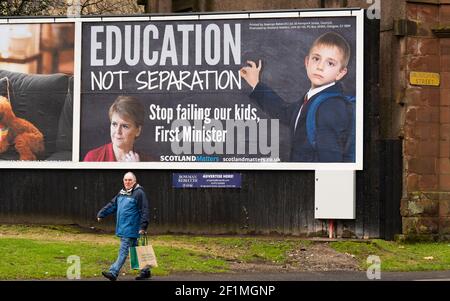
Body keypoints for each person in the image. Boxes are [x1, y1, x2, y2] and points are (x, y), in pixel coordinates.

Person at [240, 32, 354, 162]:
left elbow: (330, 158)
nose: (320, 67)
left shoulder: (330, 106)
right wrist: (256, 83)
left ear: (340, 73)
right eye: (316, 59)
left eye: (330, 63)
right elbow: (284, 112)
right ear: (307, 62)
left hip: (314, 180)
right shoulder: (313, 98)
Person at [97, 171, 151, 281]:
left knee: (123, 250)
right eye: (125, 180)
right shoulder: (122, 193)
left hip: (131, 228)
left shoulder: (139, 193)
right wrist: (102, 214)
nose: (127, 182)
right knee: (135, 250)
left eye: (130, 180)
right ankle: (145, 271)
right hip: (124, 227)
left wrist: (143, 227)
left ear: (135, 181)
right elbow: (113, 205)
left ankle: (113, 272)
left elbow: (144, 210)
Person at [83, 95, 152, 162]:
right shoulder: (93, 158)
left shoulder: (148, 162)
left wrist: (137, 169)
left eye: (125, 126)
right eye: (114, 124)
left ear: (138, 131)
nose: (118, 131)